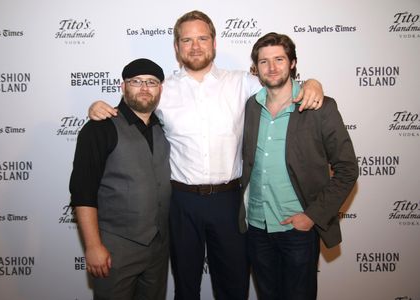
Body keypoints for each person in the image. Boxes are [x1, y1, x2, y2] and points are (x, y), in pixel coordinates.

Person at [88, 11, 324, 300]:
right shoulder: (163, 89)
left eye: (202, 38)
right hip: (181, 203)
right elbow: (130, 108)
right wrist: (98, 107)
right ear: (176, 47)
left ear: (214, 43)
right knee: (185, 288)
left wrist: (312, 82)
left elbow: (282, 84)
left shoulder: (242, 83)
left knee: (234, 285)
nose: (195, 46)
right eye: (186, 40)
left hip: (229, 201)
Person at [240, 32, 359, 300]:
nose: (272, 67)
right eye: (264, 62)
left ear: (293, 63)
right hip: (257, 228)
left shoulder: (319, 107)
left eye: (279, 59)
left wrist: (312, 216)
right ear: (256, 69)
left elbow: (348, 169)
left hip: (297, 230)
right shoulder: (250, 107)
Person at [69, 58, 171, 300]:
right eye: (136, 81)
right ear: (122, 86)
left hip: (158, 250)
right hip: (115, 250)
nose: (144, 88)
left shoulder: (164, 128)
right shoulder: (99, 128)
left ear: (160, 89)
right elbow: (83, 192)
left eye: (152, 82)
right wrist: (93, 246)